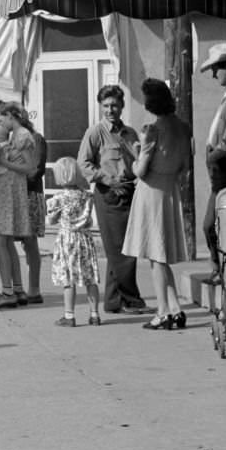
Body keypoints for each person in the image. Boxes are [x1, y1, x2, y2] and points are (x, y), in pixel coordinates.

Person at [122, 78, 190, 331]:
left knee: (155, 255)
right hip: (171, 188)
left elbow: (140, 170)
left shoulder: (152, 129)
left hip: (151, 190)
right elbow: (185, 165)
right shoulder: (183, 127)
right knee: (161, 255)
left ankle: (162, 311)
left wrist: (135, 153)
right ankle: (175, 308)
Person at [77, 84, 148, 315]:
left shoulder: (130, 133)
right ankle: (130, 298)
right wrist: (107, 180)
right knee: (118, 249)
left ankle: (112, 301)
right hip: (109, 193)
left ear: (122, 106)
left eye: (115, 105)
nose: (111, 110)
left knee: (125, 247)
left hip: (129, 192)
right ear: (100, 106)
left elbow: (138, 163)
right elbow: (84, 164)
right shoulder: (96, 133)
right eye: (106, 105)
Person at [0, 104, 45, 308]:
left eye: (1, 120)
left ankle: (7, 291)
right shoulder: (18, 135)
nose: (0, 124)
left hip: (11, 188)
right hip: (10, 187)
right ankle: (17, 289)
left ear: (10, 116)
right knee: (5, 240)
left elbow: (30, 167)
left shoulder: (22, 135)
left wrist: (3, 161)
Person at [47, 157, 101, 327]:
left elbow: (51, 220)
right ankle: (94, 315)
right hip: (85, 238)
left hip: (67, 239)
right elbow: (89, 221)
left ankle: (69, 315)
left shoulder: (58, 198)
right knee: (90, 278)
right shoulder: (87, 196)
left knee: (69, 278)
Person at [199, 43, 226, 283]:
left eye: (217, 68)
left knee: (213, 224)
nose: (214, 74)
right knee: (211, 224)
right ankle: (217, 268)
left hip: (225, 166)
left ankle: (222, 270)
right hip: (218, 167)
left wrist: (213, 155)